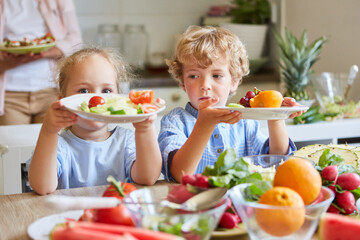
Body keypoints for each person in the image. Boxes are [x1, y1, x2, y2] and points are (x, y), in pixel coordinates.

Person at [158, 25, 304, 182]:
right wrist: (204, 124)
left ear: (234, 82)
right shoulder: (175, 121)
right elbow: (180, 173)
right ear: (182, 83)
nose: (205, 84)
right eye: (193, 76)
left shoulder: (245, 123)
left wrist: (276, 116)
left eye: (216, 75)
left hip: (237, 205)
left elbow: (276, 161)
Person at [28, 47, 162, 195]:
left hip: (117, 215)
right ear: (63, 101)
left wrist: (145, 129)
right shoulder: (59, 146)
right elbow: (42, 187)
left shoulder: (125, 140)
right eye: (84, 91)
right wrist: (48, 131)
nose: (97, 100)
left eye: (106, 91)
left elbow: (147, 178)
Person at [0, 0, 82, 125]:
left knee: (52, 142)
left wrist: (45, 53)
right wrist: (8, 57)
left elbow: (76, 40)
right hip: (9, 96)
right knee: (12, 143)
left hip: (51, 92)